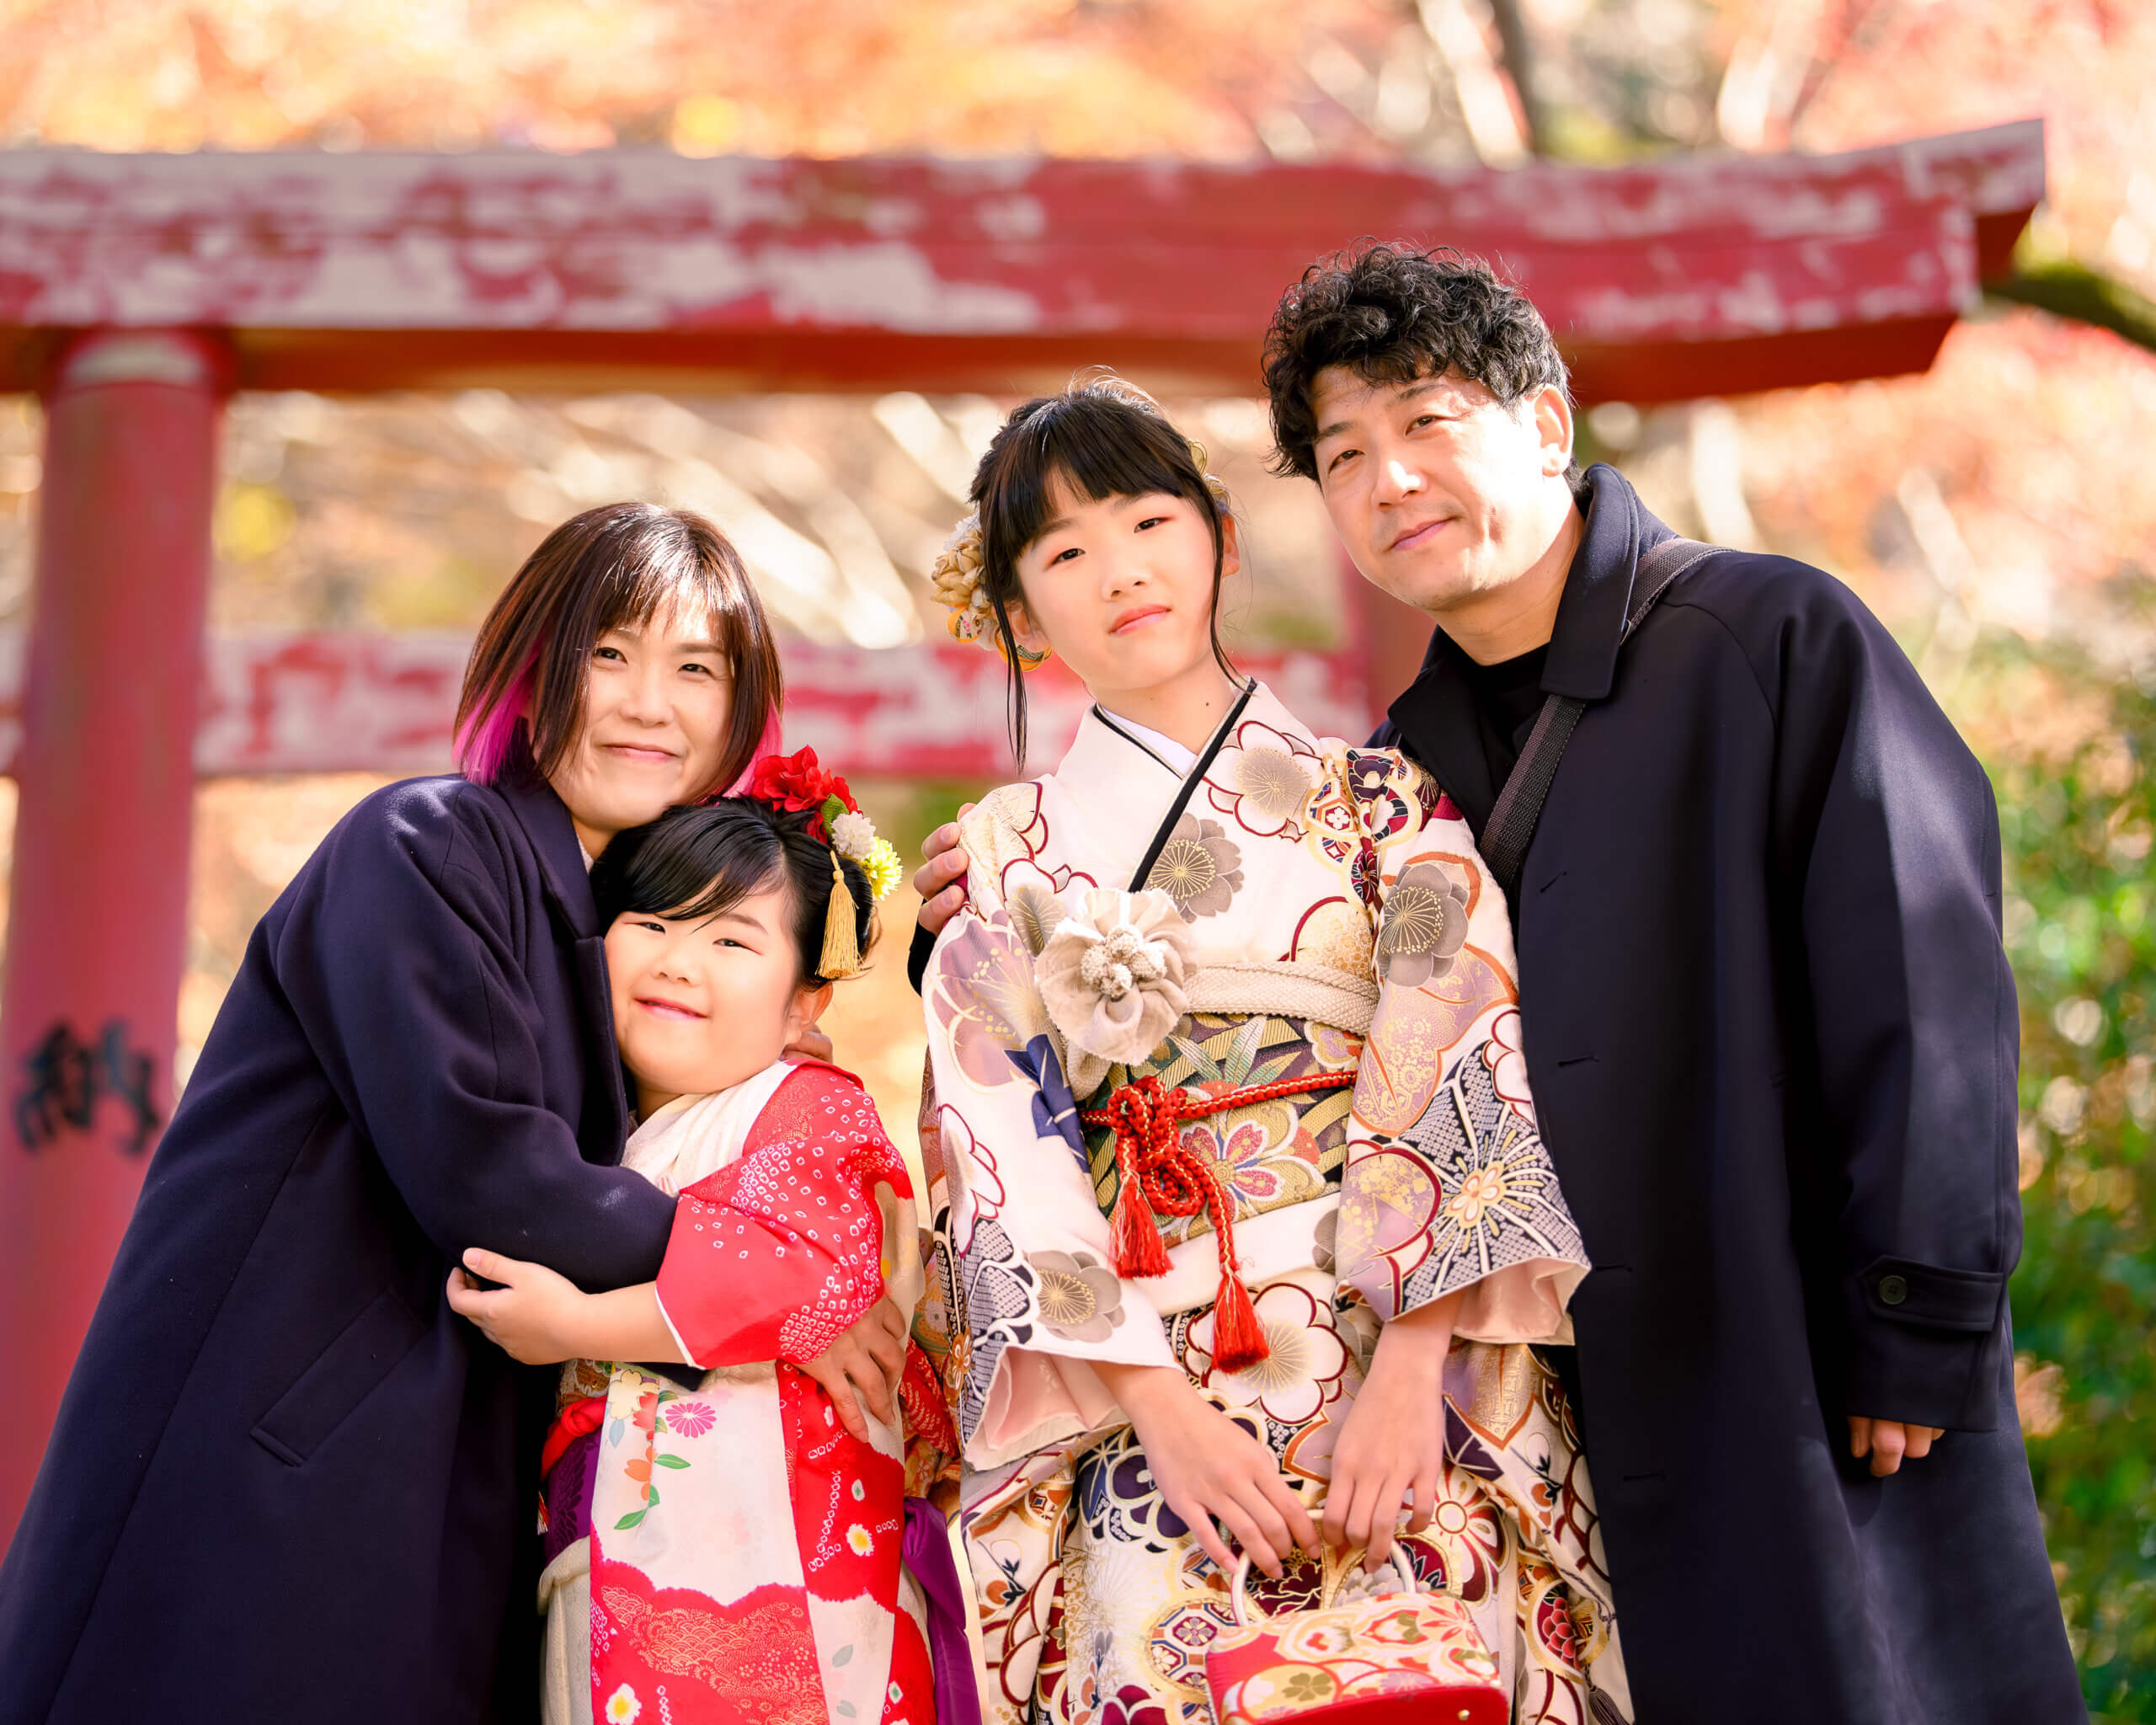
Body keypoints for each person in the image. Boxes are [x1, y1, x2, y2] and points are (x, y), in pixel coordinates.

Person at [918, 248, 2084, 1722]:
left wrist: (1910, 1307)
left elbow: (1915, 994)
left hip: (1664, 1350)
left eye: (1430, 422)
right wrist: (1147, 1387)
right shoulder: (1405, 751)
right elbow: (998, 1135)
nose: (1392, 478)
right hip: (1225, 1386)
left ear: (1546, 424)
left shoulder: (1740, 645)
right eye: (1347, 456)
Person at [0, 504, 907, 1725]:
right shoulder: (425, 844)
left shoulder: (622, 935)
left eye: (697, 669)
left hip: (443, 1491)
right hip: (275, 1457)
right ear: (536, 668)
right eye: (610, 653)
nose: (651, 703)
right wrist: (767, 1283)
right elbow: (490, 1166)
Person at [906, 377, 1628, 1725]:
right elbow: (1000, 1158)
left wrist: (1413, 1366)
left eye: (1146, 522)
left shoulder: (1383, 802)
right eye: (1064, 555)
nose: (1121, 572)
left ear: (1220, 538)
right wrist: (1154, 1412)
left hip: (1404, 1377)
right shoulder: (1004, 860)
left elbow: (1458, 1051)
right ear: (1018, 613)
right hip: (1149, 1400)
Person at [445, 772, 971, 1725]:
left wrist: (576, 1320)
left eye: (731, 939)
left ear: (806, 998)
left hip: (787, 1541)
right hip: (610, 1542)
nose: (678, 960)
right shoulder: (578, 1127)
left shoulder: (808, 1105)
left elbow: (791, 1272)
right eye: (650, 920)